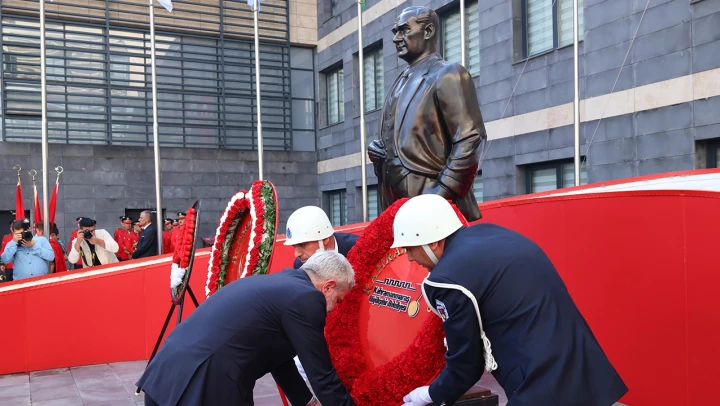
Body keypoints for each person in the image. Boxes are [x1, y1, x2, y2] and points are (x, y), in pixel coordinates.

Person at [395, 195, 628, 406]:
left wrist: (431, 394)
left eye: (410, 249)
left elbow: (466, 364)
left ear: (432, 242)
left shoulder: (446, 278)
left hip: (543, 386)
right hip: (583, 366)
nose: (411, 258)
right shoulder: (490, 233)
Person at [136, 250, 357, 406]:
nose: (334, 309)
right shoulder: (307, 298)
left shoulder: (280, 286)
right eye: (338, 300)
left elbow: (278, 359)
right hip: (203, 385)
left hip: (167, 374)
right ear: (328, 286)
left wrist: (305, 401)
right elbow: (321, 374)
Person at [367, 6, 486, 222]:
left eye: (404, 30)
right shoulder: (399, 81)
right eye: (395, 31)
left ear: (428, 31)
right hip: (397, 211)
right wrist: (379, 153)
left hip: (435, 213)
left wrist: (438, 196)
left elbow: (470, 139)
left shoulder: (448, 73)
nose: (396, 38)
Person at [284, 206, 358, 269]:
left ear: (325, 239)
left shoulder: (357, 249)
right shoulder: (299, 265)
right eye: (294, 246)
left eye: (303, 245)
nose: (296, 254)